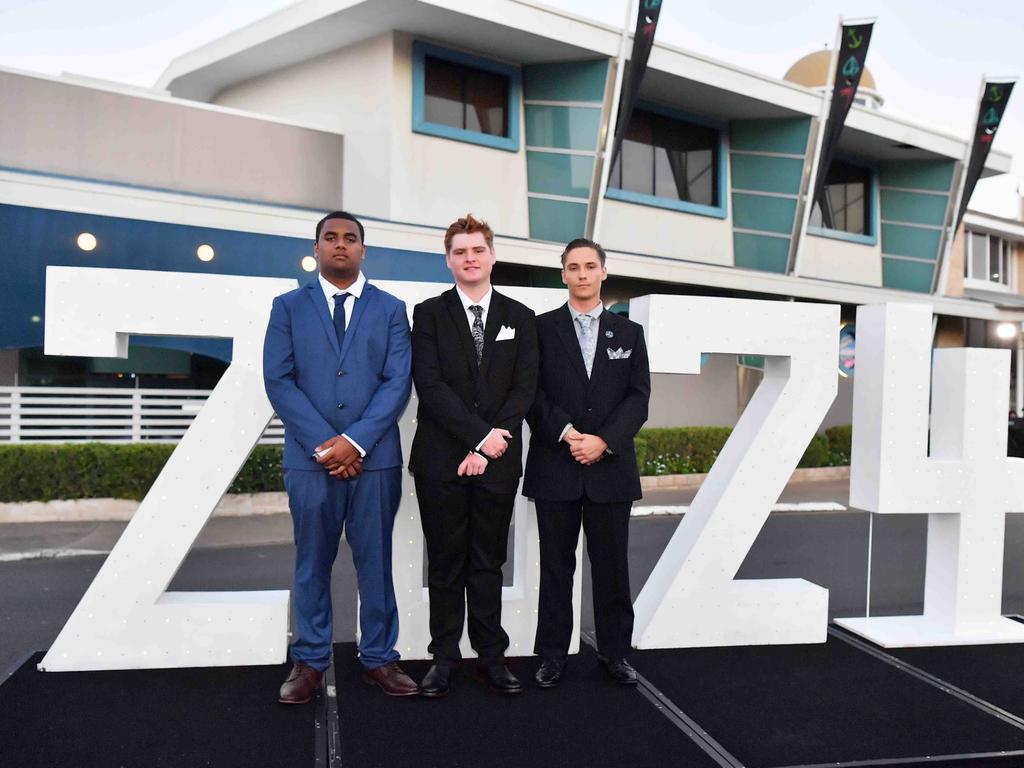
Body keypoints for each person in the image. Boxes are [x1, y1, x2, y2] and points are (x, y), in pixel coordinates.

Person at [263, 210, 418, 703]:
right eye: (330, 237)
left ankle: (378, 657)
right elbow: (279, 380)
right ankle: (309, 660)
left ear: (363, 250)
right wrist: (327, 445)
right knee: (312, 562)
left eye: (350, 238)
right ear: (316, 249)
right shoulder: (287, 307)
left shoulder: (392, 309)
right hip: (310, 462)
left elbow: (398, 382)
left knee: (376, 563)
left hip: (375, 462)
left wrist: (356, 442)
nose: (340, 245)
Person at [409, 214, 538, 697]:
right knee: (444, 563)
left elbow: (524, 387)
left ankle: (490, 655)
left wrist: (492, 442)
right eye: (460, 252)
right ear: (448, 260)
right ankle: (443, 657)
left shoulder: (520, 317)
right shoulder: (428, 314)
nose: (469, 258)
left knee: (487, 562)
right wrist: (477, 439)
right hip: (441, 460)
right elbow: (431, 386)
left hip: (499, 460)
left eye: (477, 250)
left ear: (492, 255)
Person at [524, 237, 650, 688]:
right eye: (573, 266)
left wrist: (604, 441)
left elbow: (639, 399)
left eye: (590, 266)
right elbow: (529, 392)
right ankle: (553, 655)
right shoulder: (539, 328)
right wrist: (566, 432)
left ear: (603, 272)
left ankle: (616, 654)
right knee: (556, 568)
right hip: (555, 465)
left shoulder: (628, 333)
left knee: (613, 568)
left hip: (610, 469)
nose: (582, 274)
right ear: (563, 274)